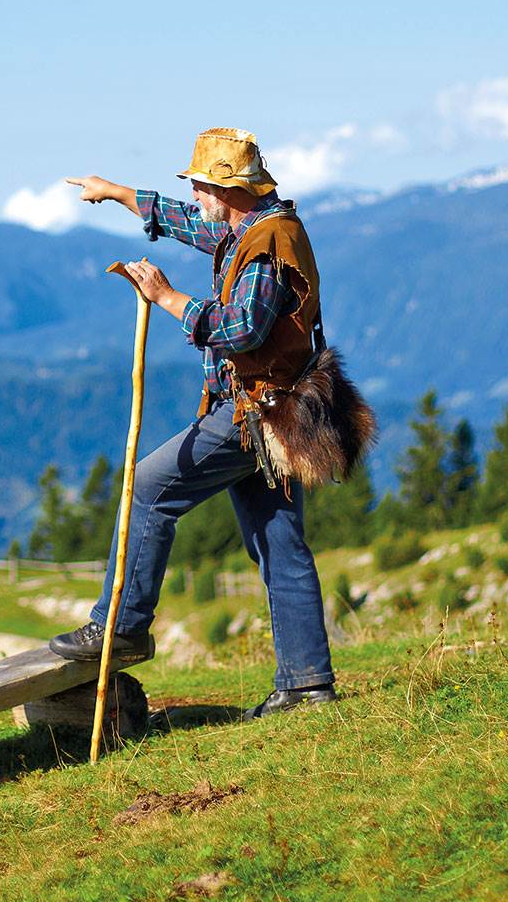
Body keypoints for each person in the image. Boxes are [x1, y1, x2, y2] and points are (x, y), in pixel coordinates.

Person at [51, 127, 338, 719]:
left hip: (255, 412)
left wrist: (167, 297)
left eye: (203, 185)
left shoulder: (264, 246)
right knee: (279, 542)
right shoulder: (250, 228)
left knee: (148, 487)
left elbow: (243, 329)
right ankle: (308, 687)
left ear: (225, 189)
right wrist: (118, 192)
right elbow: (189, 222)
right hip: (276, 409)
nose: (198, 196)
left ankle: (120, 626)